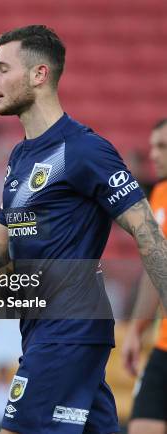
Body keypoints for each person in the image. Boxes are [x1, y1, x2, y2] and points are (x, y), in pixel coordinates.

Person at [0, 25, 167, 434]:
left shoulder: (85, 149)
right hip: (41, 326)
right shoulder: (21, 156)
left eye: (2, 68)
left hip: (71, 325)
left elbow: (148, 232)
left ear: (39, 74)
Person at [121, 119, 167, 434]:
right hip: (164, 345)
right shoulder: (162, 194)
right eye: (152, 146)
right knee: (142, 425)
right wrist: (137, 330)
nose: (154, 154)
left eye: (162, 146)